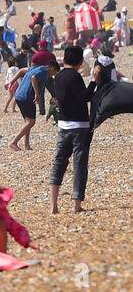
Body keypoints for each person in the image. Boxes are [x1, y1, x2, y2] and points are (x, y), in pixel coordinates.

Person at [50, 46, 94, 214]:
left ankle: (53, 205)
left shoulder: (58, 76)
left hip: (63, 125)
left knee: (59, 163)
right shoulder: (75, 77)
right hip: (79, 126)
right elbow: (85, 97)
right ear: (80, 61)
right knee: (79, 164)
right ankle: (77, 205)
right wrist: (93, 82)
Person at [8, 53, 56, 151]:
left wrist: (11, 81)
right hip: (27, 97)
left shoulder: (36, 68)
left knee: (28, 121)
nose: (52, 75)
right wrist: (37, 94)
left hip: (19, 95)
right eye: (54, 73)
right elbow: (33, 78)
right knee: (31, 122)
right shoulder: (44, 71)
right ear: (52, 68)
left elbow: (21, 71)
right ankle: (14, 142)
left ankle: (26, 145)